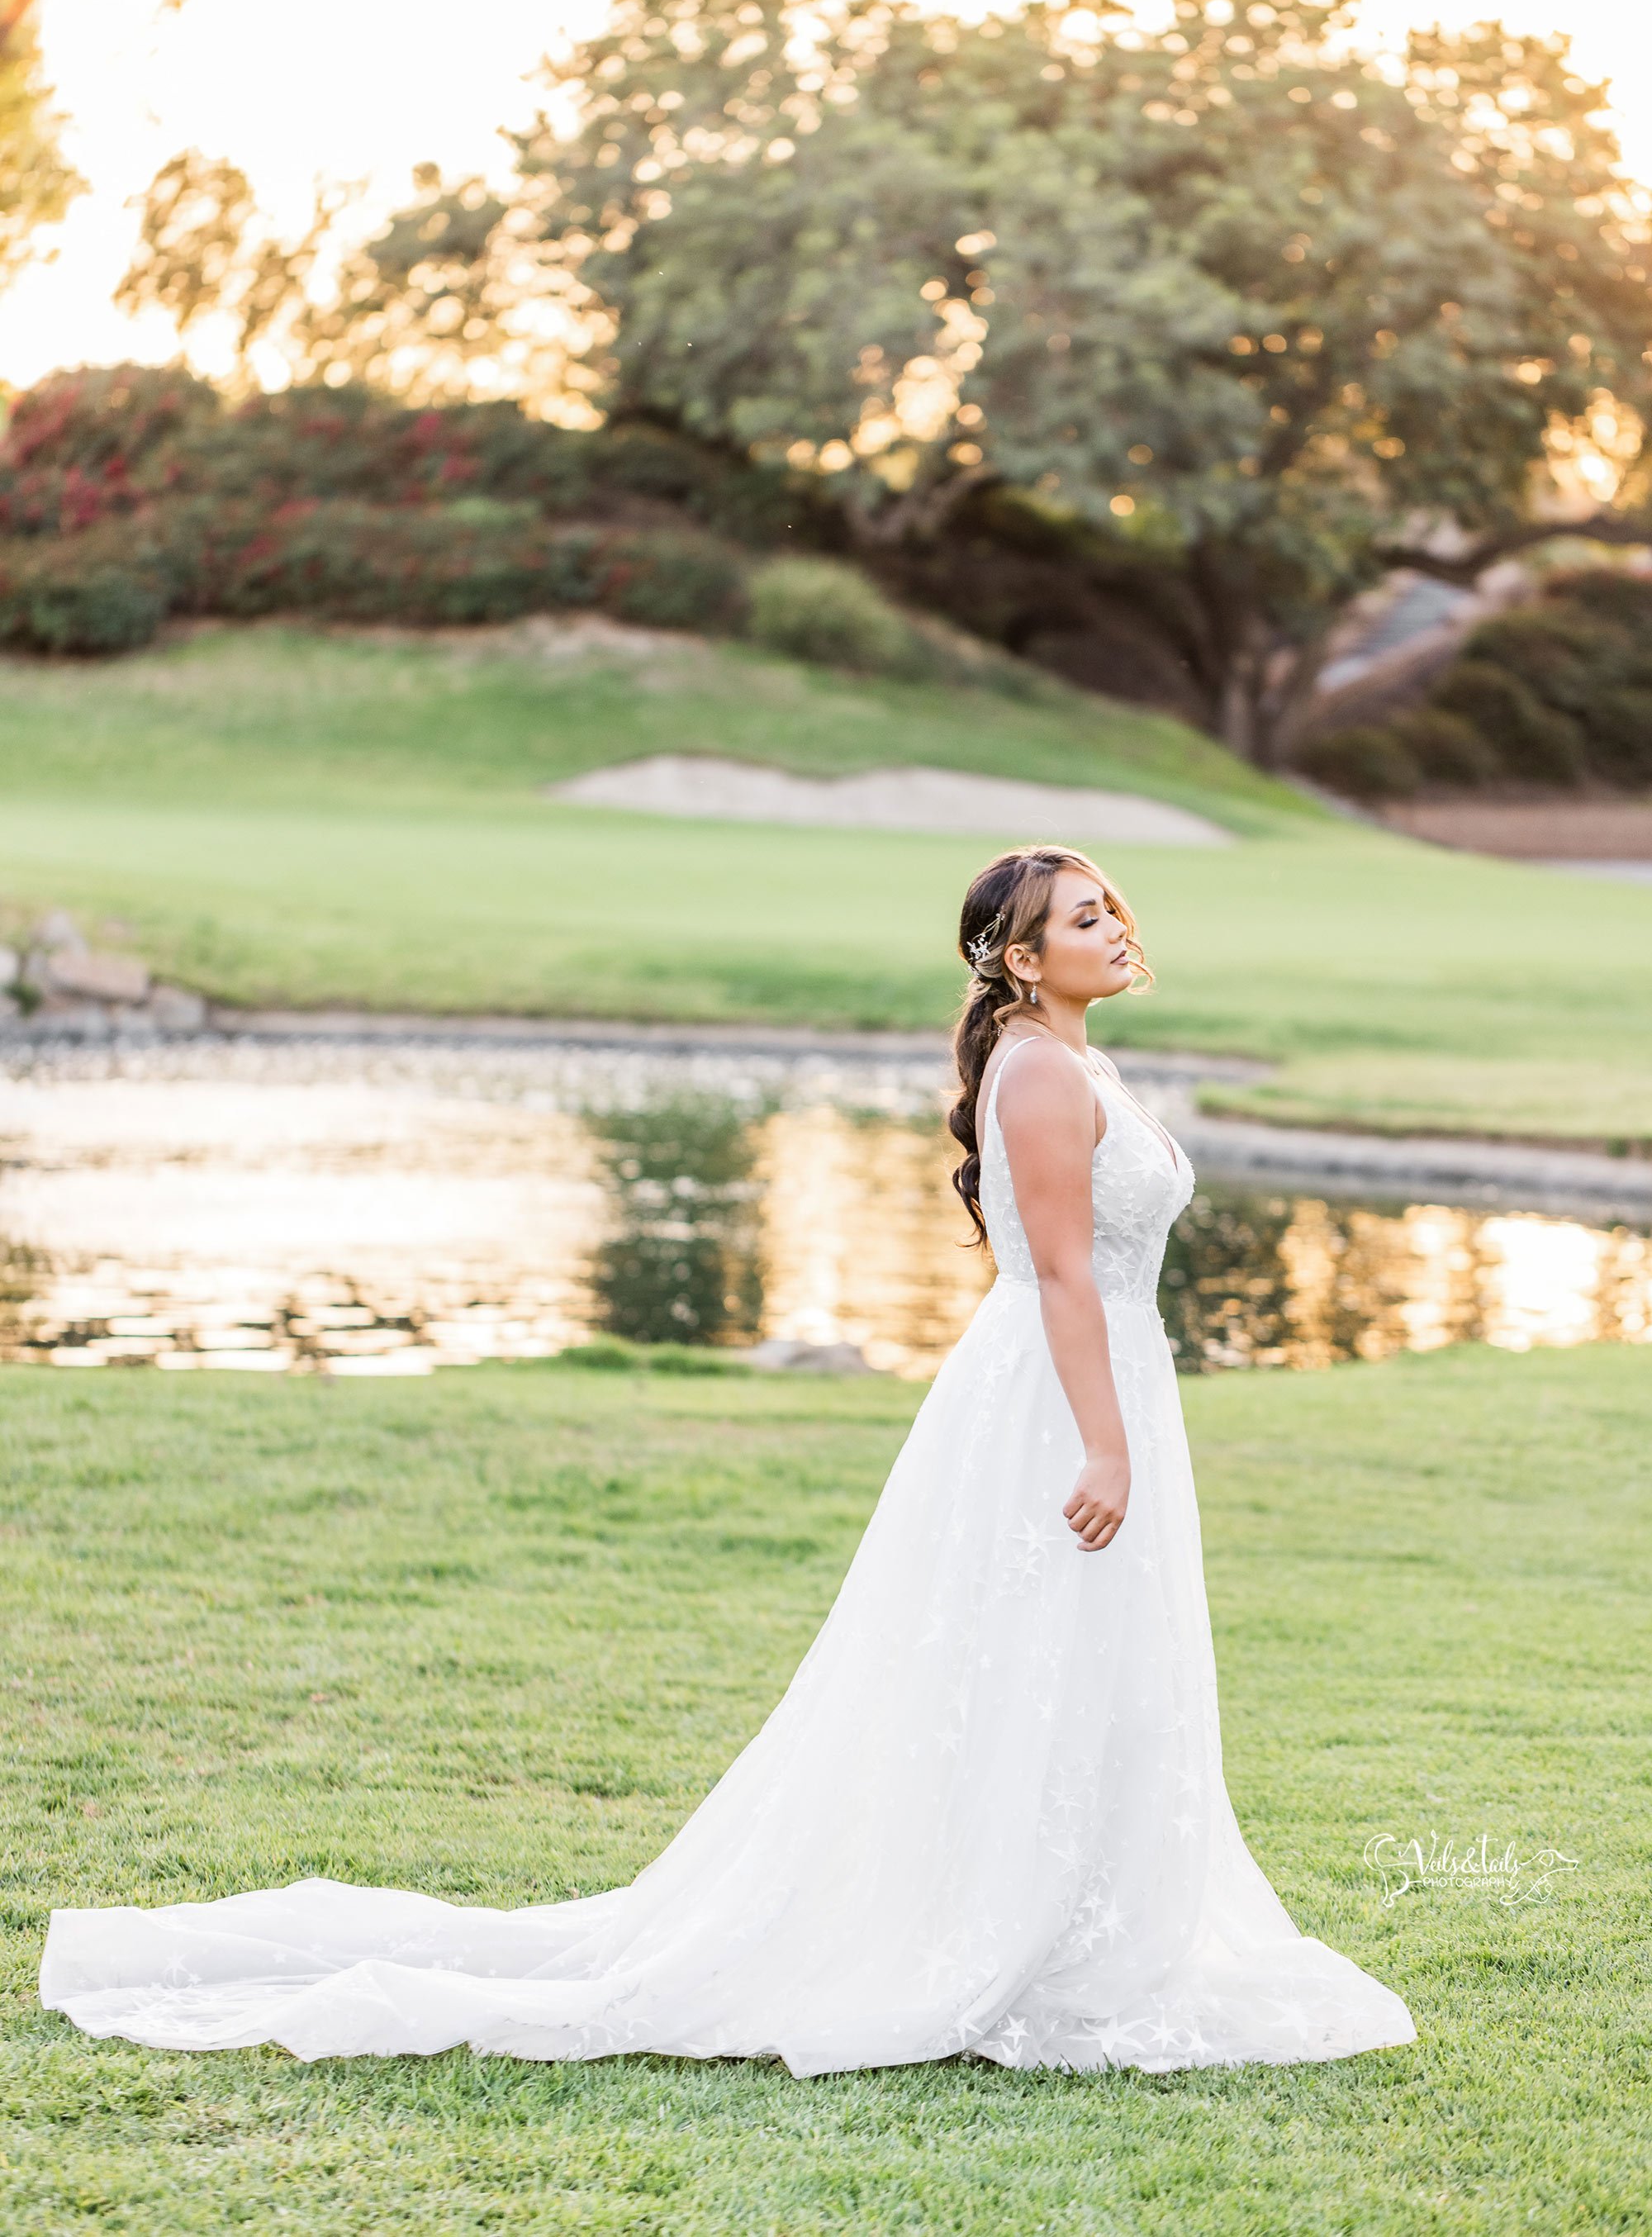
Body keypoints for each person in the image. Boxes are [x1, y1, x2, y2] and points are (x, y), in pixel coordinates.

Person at [40, 843, 1414, 2074]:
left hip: (1098, 1379)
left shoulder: (1077, 1055)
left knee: (1084, 1665)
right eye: (1082, 915)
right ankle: (1007, 1936)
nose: (1115, 924)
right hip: (1067, 1398)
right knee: (1041, 1648)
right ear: (1018, 955)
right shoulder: (1045, 1068)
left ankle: (1078, 1924)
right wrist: (1104, 1443)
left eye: (1114, 903)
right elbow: (1057, 1272)